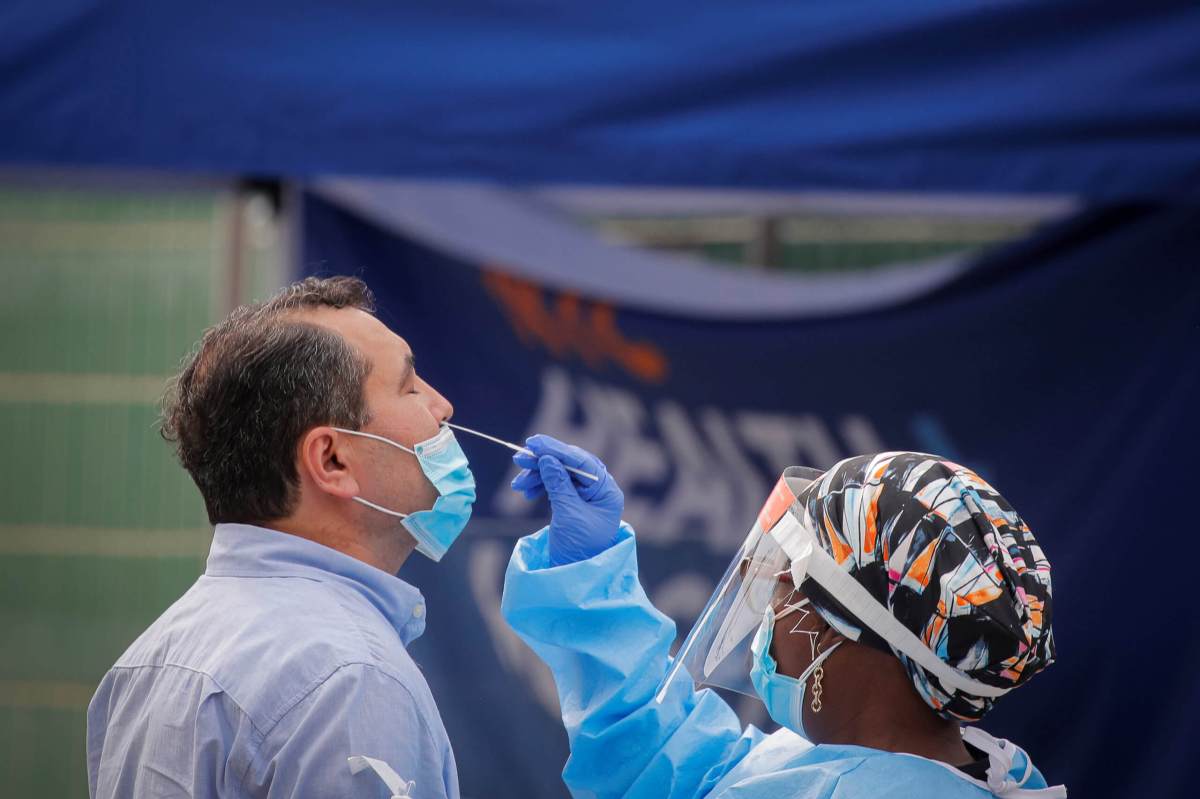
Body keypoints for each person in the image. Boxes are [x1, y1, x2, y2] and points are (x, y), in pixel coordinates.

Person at [501, 441, 1066, 798]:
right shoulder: (950, 772)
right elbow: (674, 768)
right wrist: (590, 577)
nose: (769, 601)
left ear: (829, 629)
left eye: (782, 580)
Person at [87, 276, 473, 798]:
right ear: (332, 459)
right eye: (409, 387)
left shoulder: (150, 655)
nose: (442, 405)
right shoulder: (351, 678)